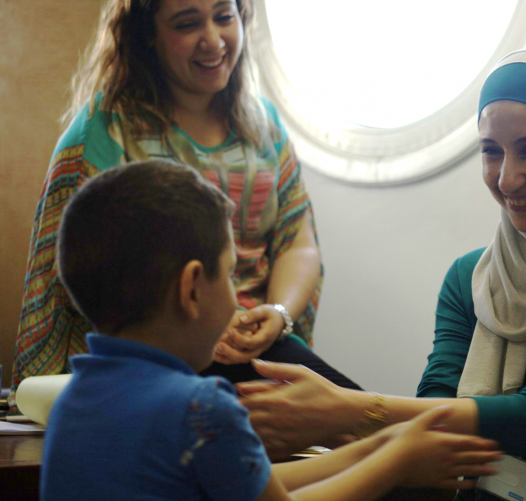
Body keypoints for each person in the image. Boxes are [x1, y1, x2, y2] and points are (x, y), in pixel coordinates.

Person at [236, 46, 526, 501]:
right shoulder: (472, 281)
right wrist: (330, 426)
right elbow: (434, 421)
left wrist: (347, 411)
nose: (507, 178)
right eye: (491, 151)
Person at [41, 160, 501, 501]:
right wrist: (395, 462)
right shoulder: (201, 410)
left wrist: (381, 444)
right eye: (230, 273)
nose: (238, 293)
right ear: (192, 289)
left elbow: (256, 483)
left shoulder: (73, 404)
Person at [10, 0, 359, 412]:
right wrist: (206, 324)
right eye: (187, 23)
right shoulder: (104, 131)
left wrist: (276, 315)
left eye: (224, 17)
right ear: (148, 37)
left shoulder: (264, 125)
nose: (212, 40)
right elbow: (91, 273)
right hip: (153, 361)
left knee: (363, 418)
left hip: (259, 349)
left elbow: (298, 245)